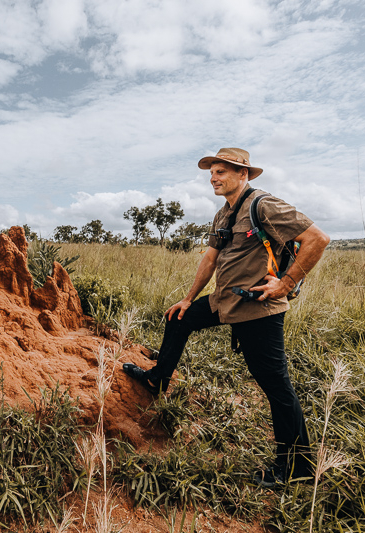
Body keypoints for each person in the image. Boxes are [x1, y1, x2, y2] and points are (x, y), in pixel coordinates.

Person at [122, 147, 330, 487]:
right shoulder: (224, 213)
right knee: (179, 318)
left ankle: (298, 468)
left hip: (258, 309)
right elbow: (210, 258)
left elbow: (317, 239)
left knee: (276, 387)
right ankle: (158, 378)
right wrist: (188, 299)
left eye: (222, 172)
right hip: (225, 301)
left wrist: (287, 282)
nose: (213, 177)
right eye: (212, 172)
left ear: (243, 174)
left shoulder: (264, 205)